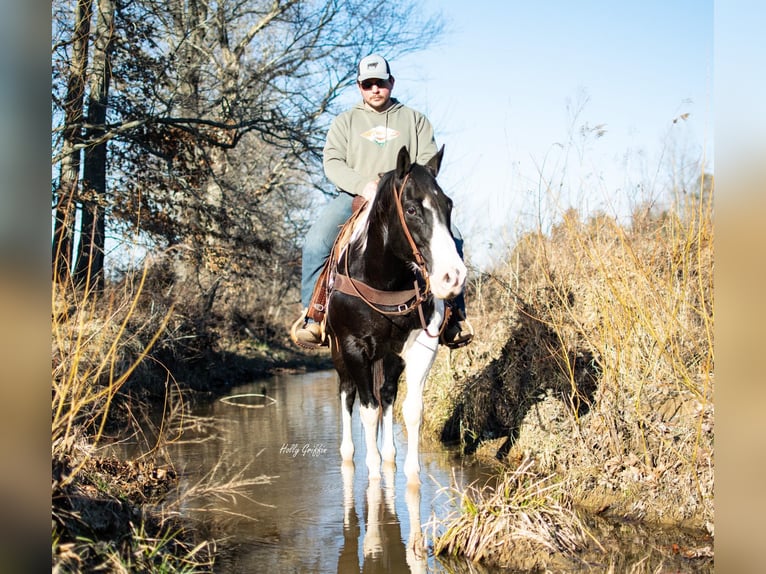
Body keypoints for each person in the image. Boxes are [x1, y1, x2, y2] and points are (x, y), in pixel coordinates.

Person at [293, 54, 472, 348]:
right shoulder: (344, 122)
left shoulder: (414, 119)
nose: (375, 89)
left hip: (404, 201)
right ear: (359, 87)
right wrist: (363, 185)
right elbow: (332, 162)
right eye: (368, 84)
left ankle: (454, 317)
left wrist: (403, 187)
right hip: (355, 195)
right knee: (315, 243)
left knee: (456, 240)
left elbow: (427, 164)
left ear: (392, 82)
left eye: (381, 83)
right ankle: (315, 316)